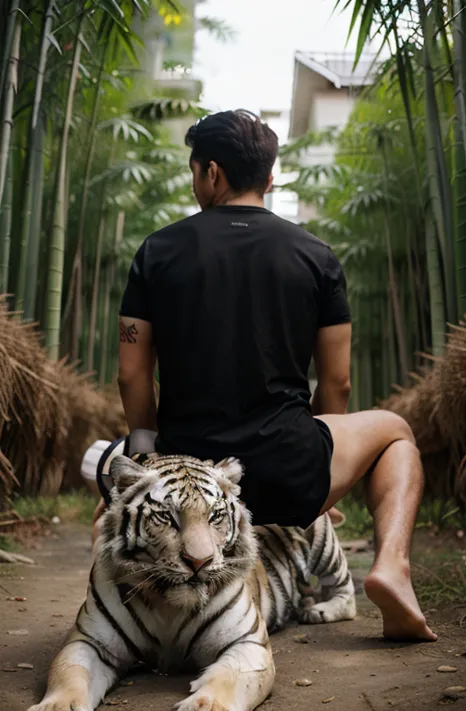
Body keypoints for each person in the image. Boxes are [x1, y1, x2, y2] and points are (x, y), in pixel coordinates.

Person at [100, 110, 436, 642]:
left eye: (194, 173)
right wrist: (317, 472)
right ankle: (391, 565)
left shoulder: (158, 251)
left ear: (212, 172)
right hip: (290, 473)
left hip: (193, 479)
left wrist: (149, 456)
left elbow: (132, 375)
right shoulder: (316, 256)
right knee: (397, 432)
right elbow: (338, 383)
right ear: (270, 177)